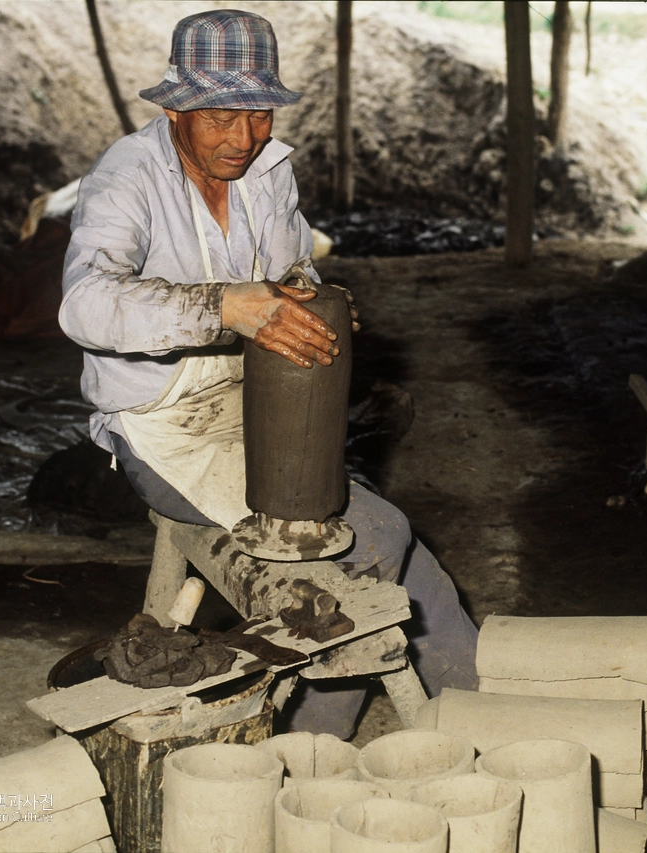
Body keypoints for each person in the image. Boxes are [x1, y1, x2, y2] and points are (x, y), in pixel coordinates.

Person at [58, 9, 478, 738]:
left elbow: (292, 269)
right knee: (372, 542)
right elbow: (84, 303)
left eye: (258, 114)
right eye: (221, 117)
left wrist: (313, 298)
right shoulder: (125, 178)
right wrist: (225, 306)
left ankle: (483, 706)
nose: (243, 138)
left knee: (391, 540)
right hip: (162, 424)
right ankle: (310, 747)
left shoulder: (266, 171)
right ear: (175, 107)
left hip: (252, 407)